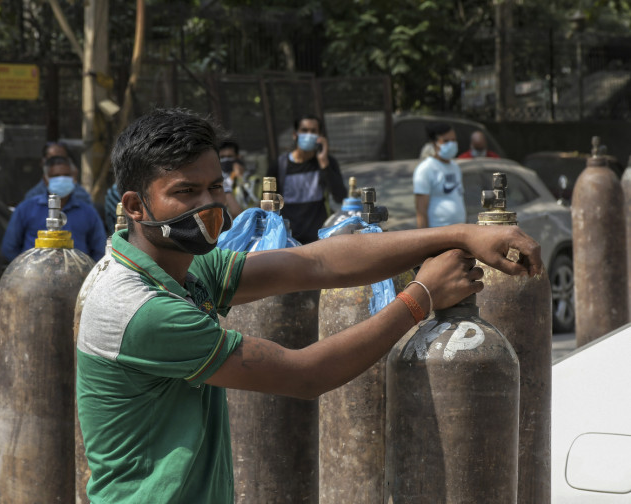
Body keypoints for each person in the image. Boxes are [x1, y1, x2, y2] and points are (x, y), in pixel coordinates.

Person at [75, 108, 543, 504]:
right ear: (135, 206)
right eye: (185, 192)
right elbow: (304, 375)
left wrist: (461, 234)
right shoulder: (142, 309)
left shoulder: (184, 268)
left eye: (215, 188)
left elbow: (316, 263)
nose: (209, 205)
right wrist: (420, 297)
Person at [2, 155, 107, 262]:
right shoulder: (26, 209)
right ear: (45, 179)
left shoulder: (88, 212)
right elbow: (9, 248)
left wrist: (86, 272)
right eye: (55, 176)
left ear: (74, 178)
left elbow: (100, 250)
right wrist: (27, 271)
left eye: (66, 175)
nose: (61, 180)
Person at [266, 114, 346, 244]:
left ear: (320, 136)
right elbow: (267, 205)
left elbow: (340, 197)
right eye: (304, 130)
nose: (309, 135)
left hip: (319, 239)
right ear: (295, 134)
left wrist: (324, 164)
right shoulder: (279, 166)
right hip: (288, 240)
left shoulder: (326, 162)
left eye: (313, 131)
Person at [413, 122, 467, 229]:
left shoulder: (455, 167)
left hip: (460, 232)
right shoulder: (426, 169)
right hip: (438, 234)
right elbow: (421, 211)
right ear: (435, 143)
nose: (451, 144)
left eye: (453, 140)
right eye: (446, 141)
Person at [23, 141, 92, 203]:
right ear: (43, 163)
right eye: (52, 160)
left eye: (61, 159)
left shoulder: (82, 196)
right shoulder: (32, 197)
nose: (57, 164)